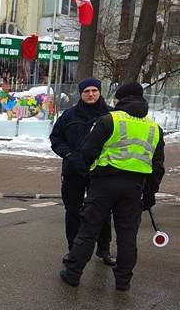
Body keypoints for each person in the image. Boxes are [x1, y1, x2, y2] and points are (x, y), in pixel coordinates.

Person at [60, 82, 165, 291]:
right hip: (134, 187)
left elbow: (88, 151)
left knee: (89, 229)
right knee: (127, 235)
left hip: (104, 184)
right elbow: (157, 166)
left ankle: (73, 274)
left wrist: (91, 171)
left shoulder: (109, 120)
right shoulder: (154, 128)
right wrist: (150, 194)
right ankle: (123, 281)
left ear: (119, 100)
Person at [50, 78, 114, 266]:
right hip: (73, 171)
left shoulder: (111, 115)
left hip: (101, 172)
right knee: (72, 212)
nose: (91, 94)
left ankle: (104, 249)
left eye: (94, 90)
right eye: (86, 91)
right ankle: (73, 250)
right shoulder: (69, 116)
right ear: (80, 93)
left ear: (100, 92)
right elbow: (55, 139)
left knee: (102, 212)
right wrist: (69, 155)